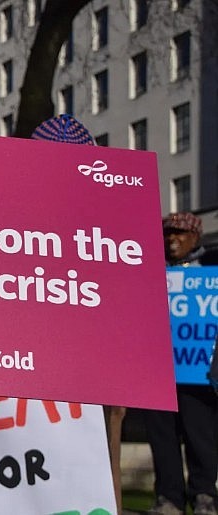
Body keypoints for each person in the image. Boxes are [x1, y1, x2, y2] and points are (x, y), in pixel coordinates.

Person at [34, 114, 128, 514]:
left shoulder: (112, 225)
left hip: (94, 374)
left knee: (100, 472)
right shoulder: (6, 222)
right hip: (29, 375)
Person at [144, 212, 218, 515]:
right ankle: (169, 497)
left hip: (197, 372)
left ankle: (203, 494)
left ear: (196, 238)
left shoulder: (211, 272)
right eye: (168, 233)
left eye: (180, 233)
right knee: (161, 438)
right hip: (157, 372)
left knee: (200, 437)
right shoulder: (148, 272)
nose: (172, 239)